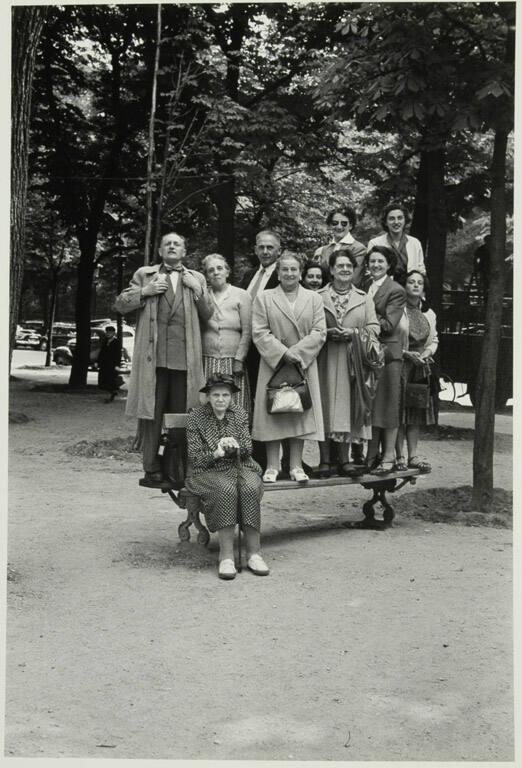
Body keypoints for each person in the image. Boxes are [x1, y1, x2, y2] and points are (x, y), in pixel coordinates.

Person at [114, 232, 213, 485]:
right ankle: (150, 465)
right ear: (160, 251)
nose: (171, 246)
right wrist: (145, 292)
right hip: (153, 361)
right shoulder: (144, 275)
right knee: (151, 414)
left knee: (184, 415)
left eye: (177, 243)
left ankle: (179, 464)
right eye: (167, 243)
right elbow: (121, 305)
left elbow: (209, 313)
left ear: (184, 251)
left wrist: (197, 291)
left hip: (185, 361)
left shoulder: (196, 278)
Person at [251, 252, 326, 483]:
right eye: (285, 269)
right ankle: (272, 466)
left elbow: (319, 331)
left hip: (303, 364)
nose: (290, 274)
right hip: (274, 363)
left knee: (299, 411)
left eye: (294, 269)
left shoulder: (314, 299)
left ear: (300, 272)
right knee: (274, 412)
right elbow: (259, 331)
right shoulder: (264, 298)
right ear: (279, 272)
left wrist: (298, 353)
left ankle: (295, 465)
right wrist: (284, 353)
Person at [184, 373, 267, 581]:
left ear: (231, 397)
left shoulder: (239, 413)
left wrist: (235, 447)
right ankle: (227, 557)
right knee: (225, 490)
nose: (220, 399)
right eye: (215, 395)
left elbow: (248, 448)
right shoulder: (196, 417)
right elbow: (195, 458)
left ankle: (254, 554)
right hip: (208, 470)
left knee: (249, 487)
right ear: (208, 397)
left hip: (241, 465)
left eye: (225, 395)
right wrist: (217, 452)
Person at [316, 250, 380, 477]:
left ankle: (344, 460)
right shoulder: (318, 296)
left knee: (346, 406)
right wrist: (326, 332)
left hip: (352, 361)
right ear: (331, 270)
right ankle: (325, 460)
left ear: (354, 271)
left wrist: (353, 332)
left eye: (349, 266)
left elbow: (374, 328)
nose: (344, 270)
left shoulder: (364, 298)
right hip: (325, 356)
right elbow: (309, 326)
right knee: (323, 406)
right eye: (340, 266)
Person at [365, 245, 407, 475]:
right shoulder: (365, 286)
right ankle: (371, 454)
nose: (375, 265)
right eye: (372, 261)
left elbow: (389, 325)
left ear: (388, 264)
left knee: (389, 406)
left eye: (380, 261)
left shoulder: (395, 290)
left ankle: (389, 454)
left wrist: (363, 320)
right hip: (367, 353)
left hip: (388, 353)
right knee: (372, 406)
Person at [395, 270, 439, 473]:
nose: (414, 285)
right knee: (399, 412)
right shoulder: (397, 309)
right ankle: (398, 455)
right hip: (401, 364)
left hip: (420, 367)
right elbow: (391, 338)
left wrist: (427, 352)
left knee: (415, 412)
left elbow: (435, 338)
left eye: (419, 283)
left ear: (424, 287)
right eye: (411, 282)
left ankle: (413, 454)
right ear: (404, 285)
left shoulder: (429, 313)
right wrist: (405, 353)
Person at [201, 253, 252, 416]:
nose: (216, 272)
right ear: (206, 276)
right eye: (210, 270)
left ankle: (236, 440)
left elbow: (247, 330)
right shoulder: (202, 296)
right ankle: (210, 440)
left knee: (235, 404)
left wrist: (239, 359)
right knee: (211, 403)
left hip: (233, 361)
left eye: (219, 268)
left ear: (227, 271)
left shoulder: (241, 295)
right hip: (207, 359)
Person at [367, 203, 425, 286]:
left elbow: (421, 270)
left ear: (405, 220)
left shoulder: (415, 243)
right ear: (385, 222)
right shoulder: (375, 243)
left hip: (409, 291)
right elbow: (369, 271)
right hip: (384, 290)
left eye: (400, 218)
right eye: (391, 219)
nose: (396, 222)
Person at [313, 206, 367, 288]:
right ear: (330, 225)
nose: (339, 227)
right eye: (335, 223)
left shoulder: (358, 248)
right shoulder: (324, 249)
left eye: (344, 223)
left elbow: (355, 280)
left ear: (351, 226)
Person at [97, 325, 122, 403]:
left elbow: (118, 354)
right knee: (103, 379)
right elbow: (102, 352)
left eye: (110, 332)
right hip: (104, 364)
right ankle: (111, 393)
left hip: (112, 364)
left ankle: (111, 395)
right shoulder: (105, 341)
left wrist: (117, 364)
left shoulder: (116, 342)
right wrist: (98, 362)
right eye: (107, 332)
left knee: (111, 379)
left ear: (114, 333)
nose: (108, 334)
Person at [472, 234, 491, 303]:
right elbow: (475, 258)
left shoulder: (494, 249)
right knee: (485, 286)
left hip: (491, 270)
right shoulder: (481, 249)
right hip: (483, 269)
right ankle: (485, 301)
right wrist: (476, 268)